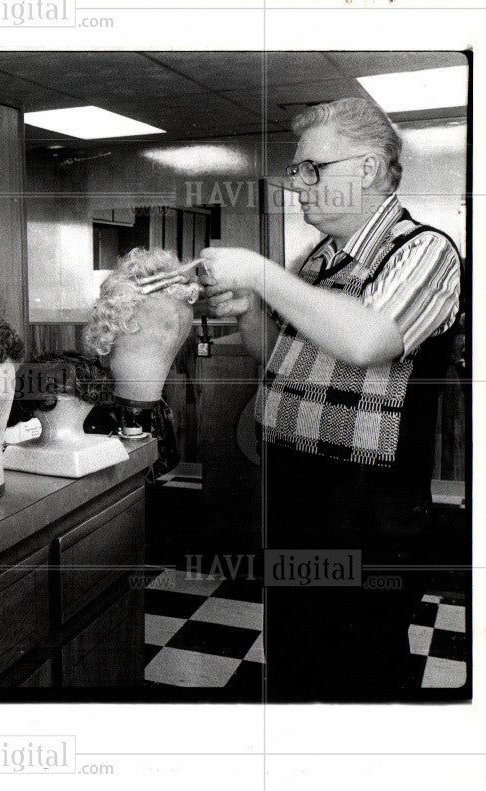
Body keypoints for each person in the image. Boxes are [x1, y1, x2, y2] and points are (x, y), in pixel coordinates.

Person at [154, 98, 462, 700]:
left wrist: (260, 274)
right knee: (296, 653)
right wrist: (249, 317)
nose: (298, 185)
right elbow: (287, 364)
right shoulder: (315, 262)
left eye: (312, 169)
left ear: (369, 169)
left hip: (367, 511)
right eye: (298, 171)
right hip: (294, 495)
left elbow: (368, 339)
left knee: (361, 666)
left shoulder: (425, 251)